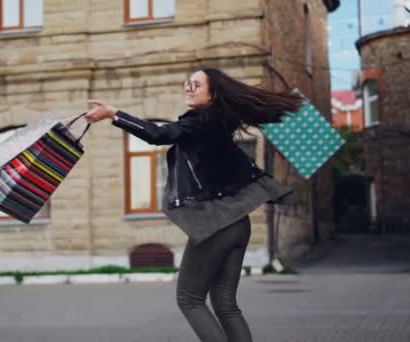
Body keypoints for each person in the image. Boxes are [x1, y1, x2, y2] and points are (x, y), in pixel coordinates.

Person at [84, 67, 302, 342]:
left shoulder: (199, 122)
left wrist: (114, 114)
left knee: (189, 299)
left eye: (196, 85)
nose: (189, 88)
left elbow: (157, 134)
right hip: (238, 224)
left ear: (213, 94)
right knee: (225, 304)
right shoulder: (221, 123)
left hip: (216, 226)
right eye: (188, 83)